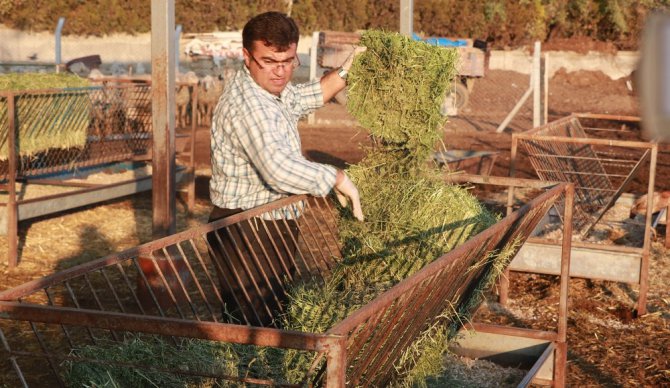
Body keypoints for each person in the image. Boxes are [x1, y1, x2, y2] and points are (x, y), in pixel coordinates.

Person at [207, 11, 364, 326]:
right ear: (247, 56)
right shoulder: (246, 105)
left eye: (289, 61)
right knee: (253, 323)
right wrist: (336, 177)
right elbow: (277, 169)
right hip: (246, 228)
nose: (280, 72)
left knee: (273, 314)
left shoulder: (268, 88)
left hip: (270, 221)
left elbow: (305, 96)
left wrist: (348, 69)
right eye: (269, 61)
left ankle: (264, 368)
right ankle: (249, 372)